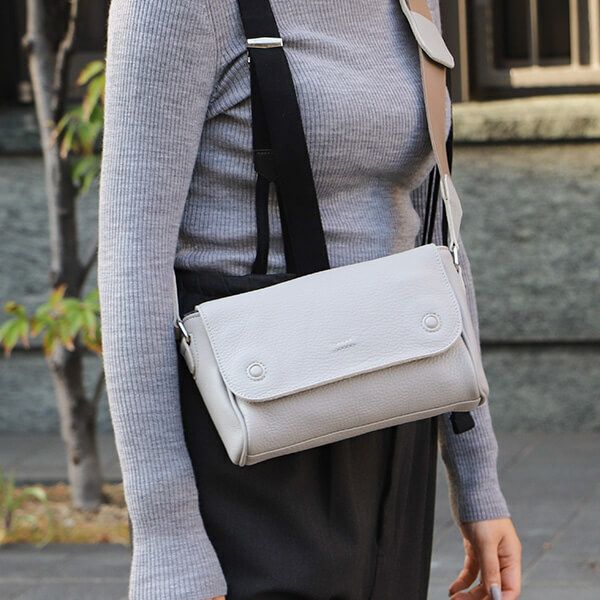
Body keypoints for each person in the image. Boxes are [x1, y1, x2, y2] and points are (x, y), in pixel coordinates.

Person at [97, 1, 522, 599]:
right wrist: (167, 534)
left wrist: (478, 478)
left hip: (398, 406)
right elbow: (132, 266)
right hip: (249, 420)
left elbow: (437, 233)